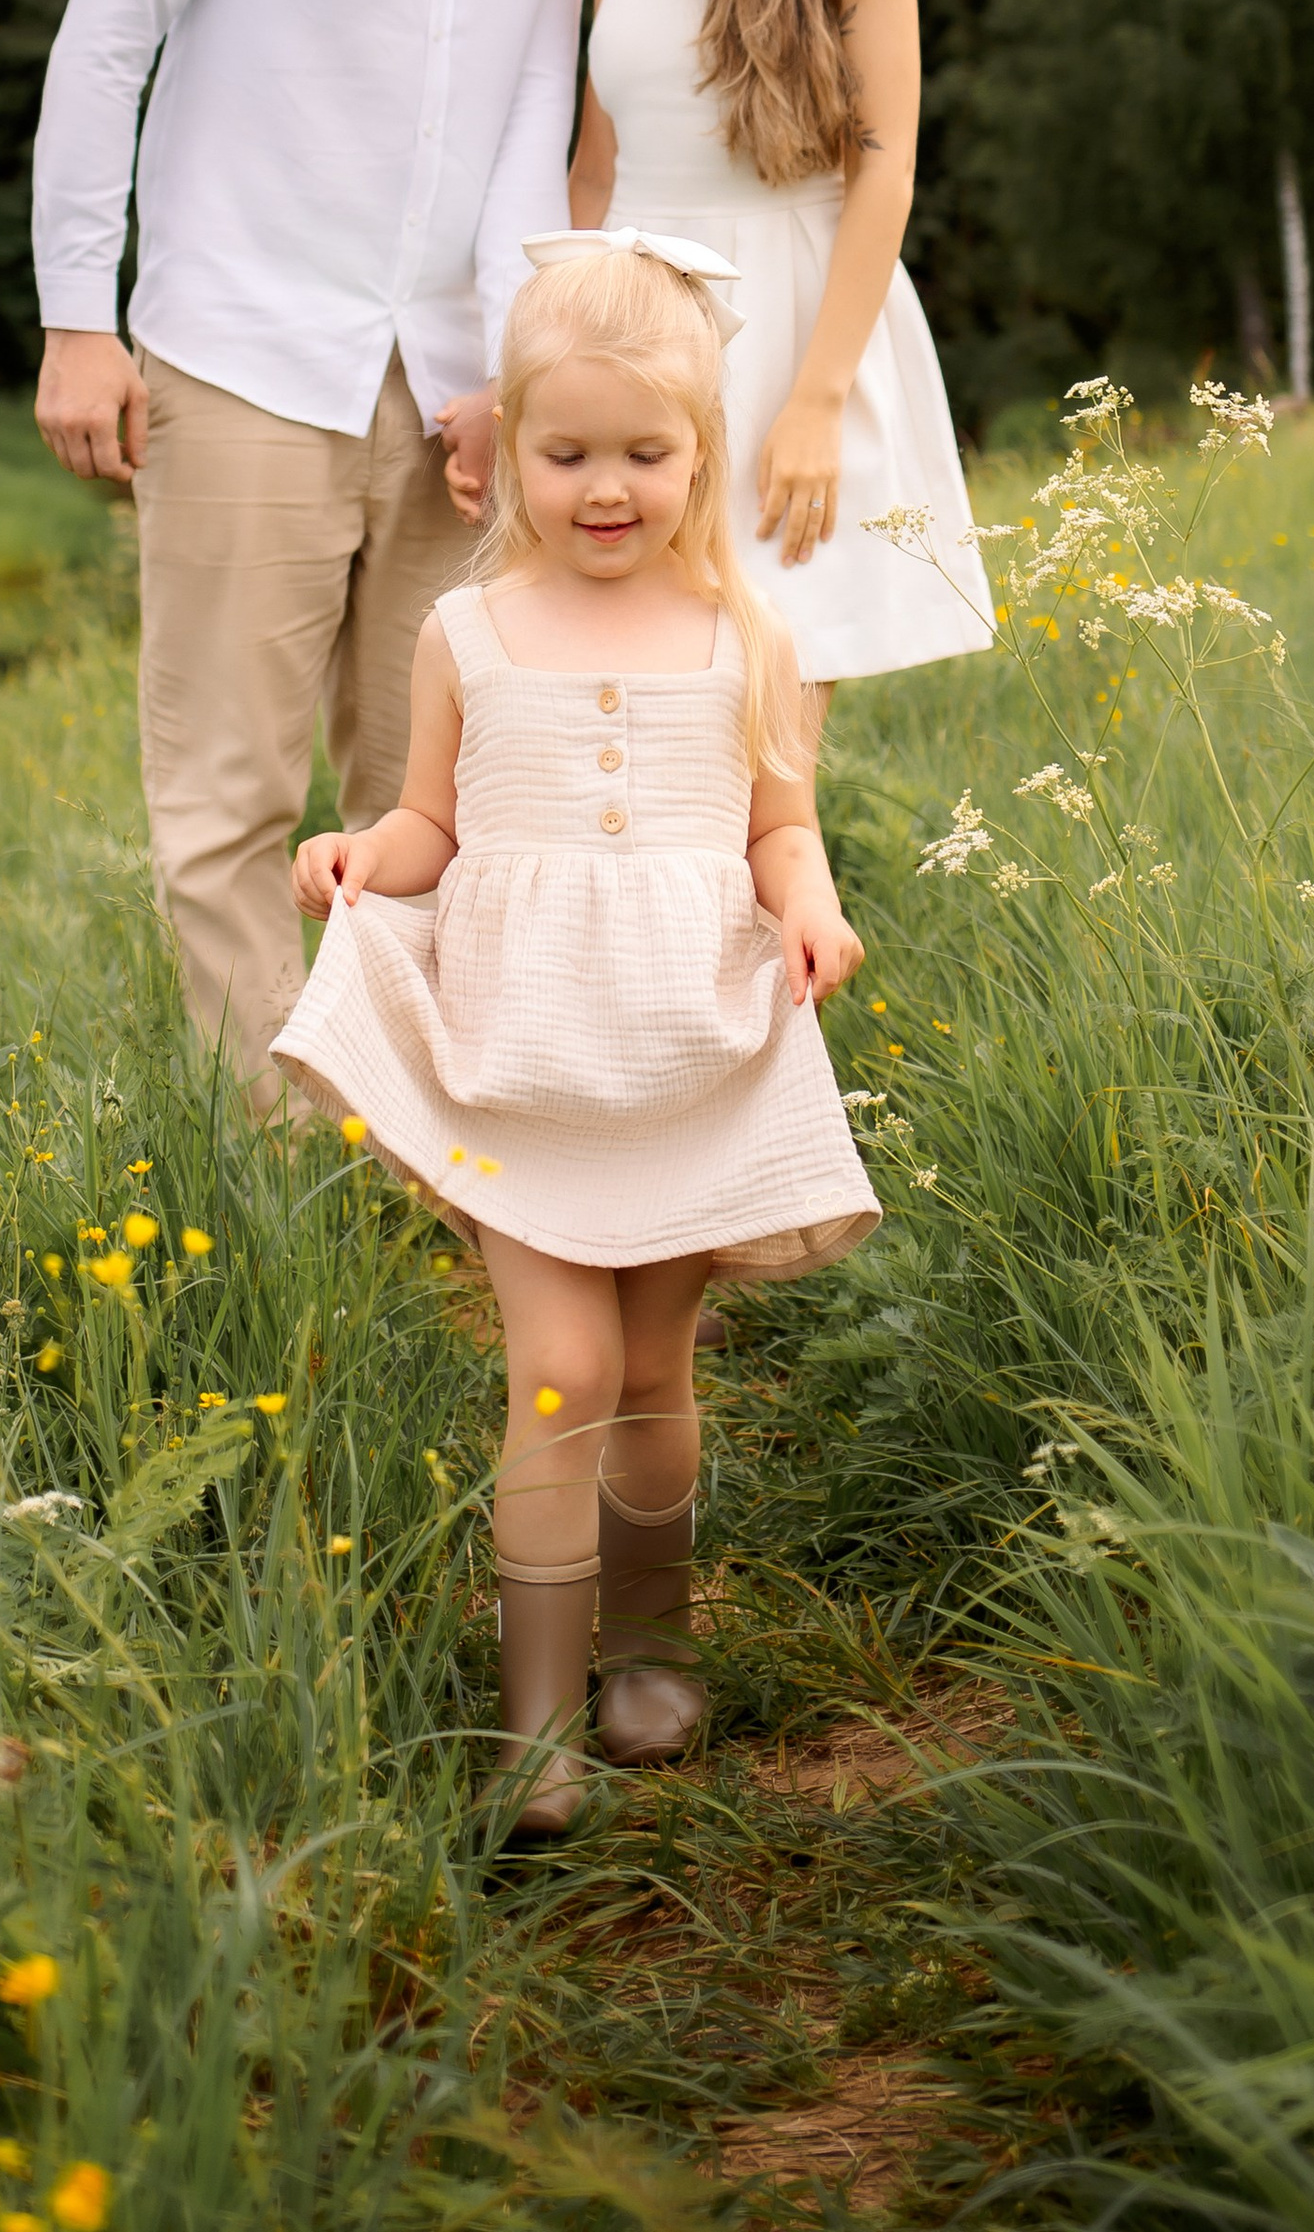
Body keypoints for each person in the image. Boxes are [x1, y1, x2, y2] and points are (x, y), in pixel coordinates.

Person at [31, 0, 664, 1113]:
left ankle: (416, 1150)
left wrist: (515, 375)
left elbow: (535, 117)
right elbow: (111, 34)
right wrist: (75, 318)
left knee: (429, 794)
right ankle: (280, 1179)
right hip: (238, 354)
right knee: (230, 804)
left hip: (454, 397)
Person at [275, 238, 878, 1836]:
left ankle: (654, 1644)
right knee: (559, 1367)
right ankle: (536, 1718)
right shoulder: (468, 639)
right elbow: (430, 823)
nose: (604, 488)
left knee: (657, 1361)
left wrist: (809, 903)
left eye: (645, 454)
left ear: (701, 456)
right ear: (505, 453)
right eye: (567, 454)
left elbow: (780, 827)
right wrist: (359, 857)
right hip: (523, 1051)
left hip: (684, 1044)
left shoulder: (747, 639)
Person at [569, 0, 991, 726]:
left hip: (795, 331)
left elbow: (883, 162)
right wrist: (543, 364)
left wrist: (816, 398)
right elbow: (594, 174)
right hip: (631, 324)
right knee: (623, 721)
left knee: (760, 747)